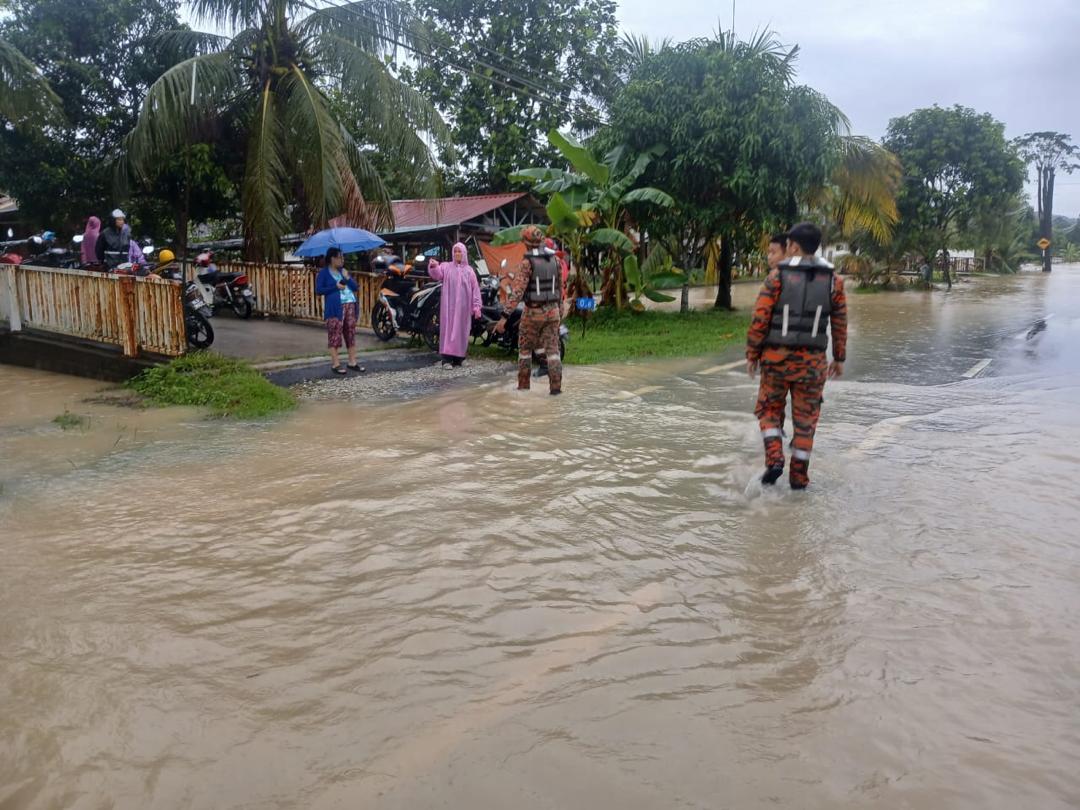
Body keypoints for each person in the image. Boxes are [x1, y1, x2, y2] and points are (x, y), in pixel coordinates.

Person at [746, 222, 847, 490]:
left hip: (776, 361)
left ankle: (775, 459)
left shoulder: (776, 277)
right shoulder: (834, 282)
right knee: (806, 421)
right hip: (813, 365)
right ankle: (799, 480)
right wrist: (839, 358)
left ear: (792, 246)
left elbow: (760, 319)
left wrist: (752, 355)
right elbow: (840, 323)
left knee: (768, 410)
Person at [495, 225, 564, 395]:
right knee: (553, 352)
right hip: (553, 312)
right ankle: (556, 390)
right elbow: (560, 290)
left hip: (532, 313)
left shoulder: (527, 263)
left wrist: (504, 317)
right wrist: (559, 312)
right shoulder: (556, 261)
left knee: (525, 351)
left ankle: (523, 388)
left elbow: (517, 292)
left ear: (526, 242)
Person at [428, 242, 482, 368]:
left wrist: (477, 306)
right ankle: (446, 360)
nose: (457, 254)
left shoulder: (469, 271)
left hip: (463, 308)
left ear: (464, 253)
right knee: (448, 331)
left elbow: (475, 289)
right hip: (449, 308)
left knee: (462, 331)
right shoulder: (446, 267)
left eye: (459, 251)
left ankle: (460, 358)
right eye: (455, 251)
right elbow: (437, 275)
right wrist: (434, 266)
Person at [315, 247, 365, 375]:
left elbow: (355, 287)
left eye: (343, 257)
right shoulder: (324, 273)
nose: (342, 260)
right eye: (340, 257)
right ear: (332, 258)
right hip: (335, 308)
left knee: (350, 333)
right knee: (334, 334)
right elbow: (319, 290)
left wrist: (347, 277)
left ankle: (352, 362)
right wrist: (335, 286)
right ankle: (336, 364)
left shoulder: (343, 271)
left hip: (350, 305)